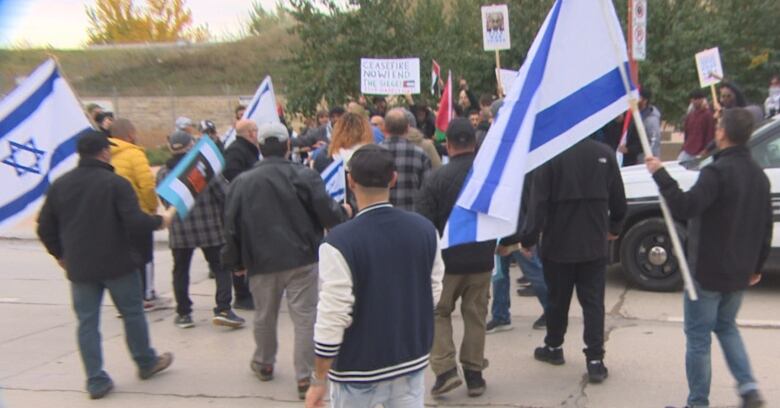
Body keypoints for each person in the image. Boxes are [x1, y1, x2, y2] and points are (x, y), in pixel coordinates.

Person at [645, 108, 771, 408]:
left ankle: (697, 402)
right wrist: (756, 266)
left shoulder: (715, 172)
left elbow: (685, 207)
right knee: (726, 327)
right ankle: (749, 387)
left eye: (718, 126)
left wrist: (660, 175)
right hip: (740, 271)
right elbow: (765, 227)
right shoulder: (759, 176)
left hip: (707, 271)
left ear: (722, 133)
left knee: (699, 338)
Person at [37, 130, 175, 400]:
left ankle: (95, 380)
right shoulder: (116, 184)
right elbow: (135, 223)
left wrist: (60, 255)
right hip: (118, 264)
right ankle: (145, 362)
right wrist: (160, 222)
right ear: (103, 152)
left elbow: (44, 227)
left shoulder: (60, 185)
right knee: (133, 314)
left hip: (80, 267)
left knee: (87, 323)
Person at [305, 144, 444, 408]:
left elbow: (333, 313)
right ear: (394, 178)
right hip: (409, 359)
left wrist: (319, 378)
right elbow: (433, 290)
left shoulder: (338, 241)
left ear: (351, 181)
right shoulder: (425, 230)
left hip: (358, 368)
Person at [222, 123, 350, 400]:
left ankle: (264, 362)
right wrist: (344, 213)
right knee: (305, 318)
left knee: (264, 315)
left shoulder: (243, 182)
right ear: (288, 146)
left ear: (260, 147)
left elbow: (230, 226)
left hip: (260, 261)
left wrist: (235, 262)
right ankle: (305, 376)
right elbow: (328, 212)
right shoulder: (304, 176)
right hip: (302, 258)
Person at [521, 136, 627, 384]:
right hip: (593, 244)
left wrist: (528, 238)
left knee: (558, 301)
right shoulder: (605, 154)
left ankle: (554, 346)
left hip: (559, 245)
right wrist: (616, 225)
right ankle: (595, 360)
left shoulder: (550, 156)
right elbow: (619, 199)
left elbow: (537, 205)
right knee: (593, 303)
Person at [415, 119, 495, 398]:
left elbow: (423, 223)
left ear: (447, 145)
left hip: (444, 263)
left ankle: (446, 370)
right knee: (476, 314)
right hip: (482, 258)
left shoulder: (435, 179)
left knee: (438, 312)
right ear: (475, 143)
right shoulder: (489, 177)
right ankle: (474, 374)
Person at [155, 131, 245, 330]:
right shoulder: (203, 168)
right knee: (221, 268)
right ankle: (223, 308)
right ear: (190, 146)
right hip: (209, 228)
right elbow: (225, 195)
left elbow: (165, 200)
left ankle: (183, 313)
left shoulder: (163, 172)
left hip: (180, 230)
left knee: (180, 271)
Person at [109, 118, 166, 312]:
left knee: (125, 258)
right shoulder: (135, 154)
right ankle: (147, 295)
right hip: (137, 212)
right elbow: (147, 184)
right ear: (130, 134)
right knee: (145, 256)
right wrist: (152, 209)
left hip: (115, 217)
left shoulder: (107, 154)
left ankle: (128, 298)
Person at [221, 119, 260, 310]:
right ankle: (242, 295)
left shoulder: (248, 150)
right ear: (251, 133)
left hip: (250, 204)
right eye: (255, 130)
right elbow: (232, 173)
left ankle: (248, 290)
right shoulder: (237, 151)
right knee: (241, 251)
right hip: (241, 206)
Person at [381, 108, 432, 211]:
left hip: (381, 217)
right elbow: (427, 191)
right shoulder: (420, 155)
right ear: (408, 128)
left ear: (384, 128)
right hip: (411, 216)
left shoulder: (374, 153)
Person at [620, 88, 661, 166]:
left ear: (645, 100)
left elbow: (653, 142)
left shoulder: (651, 120)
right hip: (631, 158)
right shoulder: (634, 114)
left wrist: (649, 160)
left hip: (643, 162)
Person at [679, 90, 716, 162]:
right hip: (688, 150)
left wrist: (706, 150)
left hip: (702, 151)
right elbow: (687, 134)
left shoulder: (708, 115)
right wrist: (683, 147)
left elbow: (710, 134)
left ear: (702, 99)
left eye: (697, 99)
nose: (695, 101)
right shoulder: (690, 116)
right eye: (693, 99)